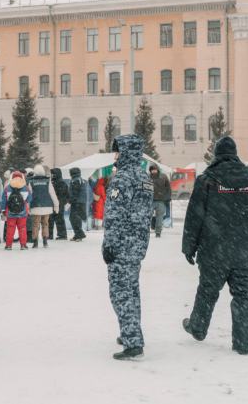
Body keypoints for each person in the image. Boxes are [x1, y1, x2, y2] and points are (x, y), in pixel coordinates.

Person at [181, 137, 248, 355]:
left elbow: (194, 217)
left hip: (213, 250)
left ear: (216, 155)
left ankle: (198, 328)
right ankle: (243, 342)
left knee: (207, 292)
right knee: (242, 294)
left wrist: (188, 247)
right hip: (243, 250)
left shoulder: (208, 179)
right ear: (235, 154)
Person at [102, 135, 153, 360]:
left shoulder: (122, 177)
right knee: (132, 290)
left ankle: (133, 341)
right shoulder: (143, 175)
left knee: (120, 292)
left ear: (125, 152)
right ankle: (131, 332)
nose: (114, 155)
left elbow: (115, 213)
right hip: (138, 243)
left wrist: (109, 243)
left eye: (117, 151)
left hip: (122, 243)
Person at [27, 165, 59, 248]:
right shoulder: (47, 181)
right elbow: (52, 193)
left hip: (35, 205)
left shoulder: (31, 182)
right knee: (45, 224)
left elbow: (29, 195)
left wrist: (28, 206)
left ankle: (35, 243)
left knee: (35, 224)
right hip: (46, 205)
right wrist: (56, 204)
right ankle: (45, 242)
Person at [1, 171, 32, 250]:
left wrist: (3, 210)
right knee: (22, 228)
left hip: (10, 212)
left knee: (10, 228)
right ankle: (23, 245)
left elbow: (4, 200)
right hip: (22, 212)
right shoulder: (26, 187)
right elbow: (29, 199)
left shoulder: (7, 187)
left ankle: (8, 245)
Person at [149, 165, 172, 238]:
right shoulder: (147, 177)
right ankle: (146, 231)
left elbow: (168, 188)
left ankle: (158, 232)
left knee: (159, 217)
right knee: (148, 216)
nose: (154, 171)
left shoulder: (163, 177)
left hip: (161, 201)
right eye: (152, 170)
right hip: (150, 201)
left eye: (155, 170)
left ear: (158, 170)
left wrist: (168, 198)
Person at [67, 167, 88, 242]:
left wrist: (69, 201)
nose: (69, 174)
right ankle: (77, 235)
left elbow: (75, 192)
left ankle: (79, 235)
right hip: (79, 201)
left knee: (74, 219)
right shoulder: (77, 179)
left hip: (78, 202)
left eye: (70, 173)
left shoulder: (76, 180)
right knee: (75, 219)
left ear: (73, 173)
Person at [50, 168, 69, 241]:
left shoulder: (59, 182)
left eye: (52, 174)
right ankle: (61, 234)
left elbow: (60, 194)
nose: (51, 175)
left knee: (56, 219)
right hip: (58, 203)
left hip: (57, 204)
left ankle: (60, 235)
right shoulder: (59, 182)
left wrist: (58, 202)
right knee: (58, 219)